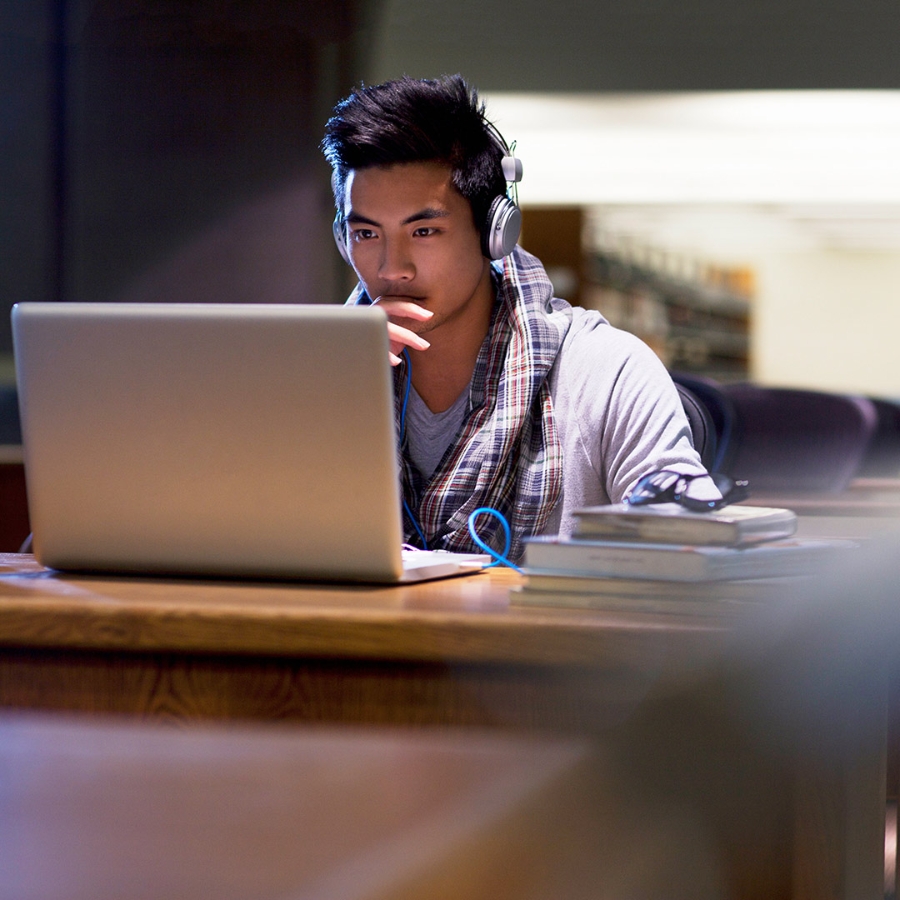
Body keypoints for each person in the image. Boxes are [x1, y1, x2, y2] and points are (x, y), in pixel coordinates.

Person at [321, 74, 706, 562]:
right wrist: (334, 391)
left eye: (424, 231)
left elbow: (691, 544)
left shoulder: (605, 371)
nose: (392, 268)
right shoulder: (322, 376)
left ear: (493, 234)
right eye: (367, 235)